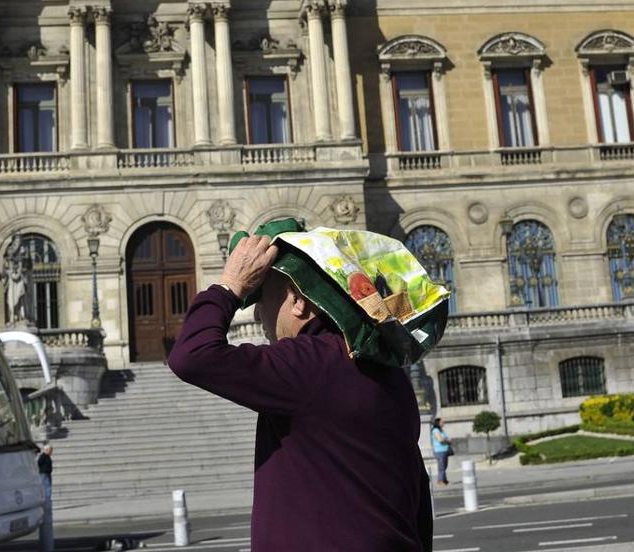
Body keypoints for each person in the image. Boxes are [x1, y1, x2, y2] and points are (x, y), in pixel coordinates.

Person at [168, 234, 433, 552]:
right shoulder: (388, 371)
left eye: (262, 296)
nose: (255, 315)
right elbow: (418, 496)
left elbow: (192, 355)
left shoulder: (309, 364)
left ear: (298, 301)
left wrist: (230, 286)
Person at [37, 444, 54, 552]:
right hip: (44, 474)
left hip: (46, 474)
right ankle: (46, 499)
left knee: (48, 487)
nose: (51, 452)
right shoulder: (43, 456)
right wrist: (44, 469)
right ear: (46, 450)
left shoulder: (47, 457)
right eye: (50, 450)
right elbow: (39, 464)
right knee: (46, 488)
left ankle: (47, 498)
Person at [431, 417, 452, 485]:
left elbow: (444, 438)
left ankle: (444, 479)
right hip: (439, 451)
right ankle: (440, 481)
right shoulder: (436, 430)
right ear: (438, 423)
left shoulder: (441, 430)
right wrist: (447, 440)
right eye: (442, 422)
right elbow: (440, 440)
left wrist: (447, 440)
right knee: (442, 467)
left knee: (444, 466)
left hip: (444, 450)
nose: (443, 423)